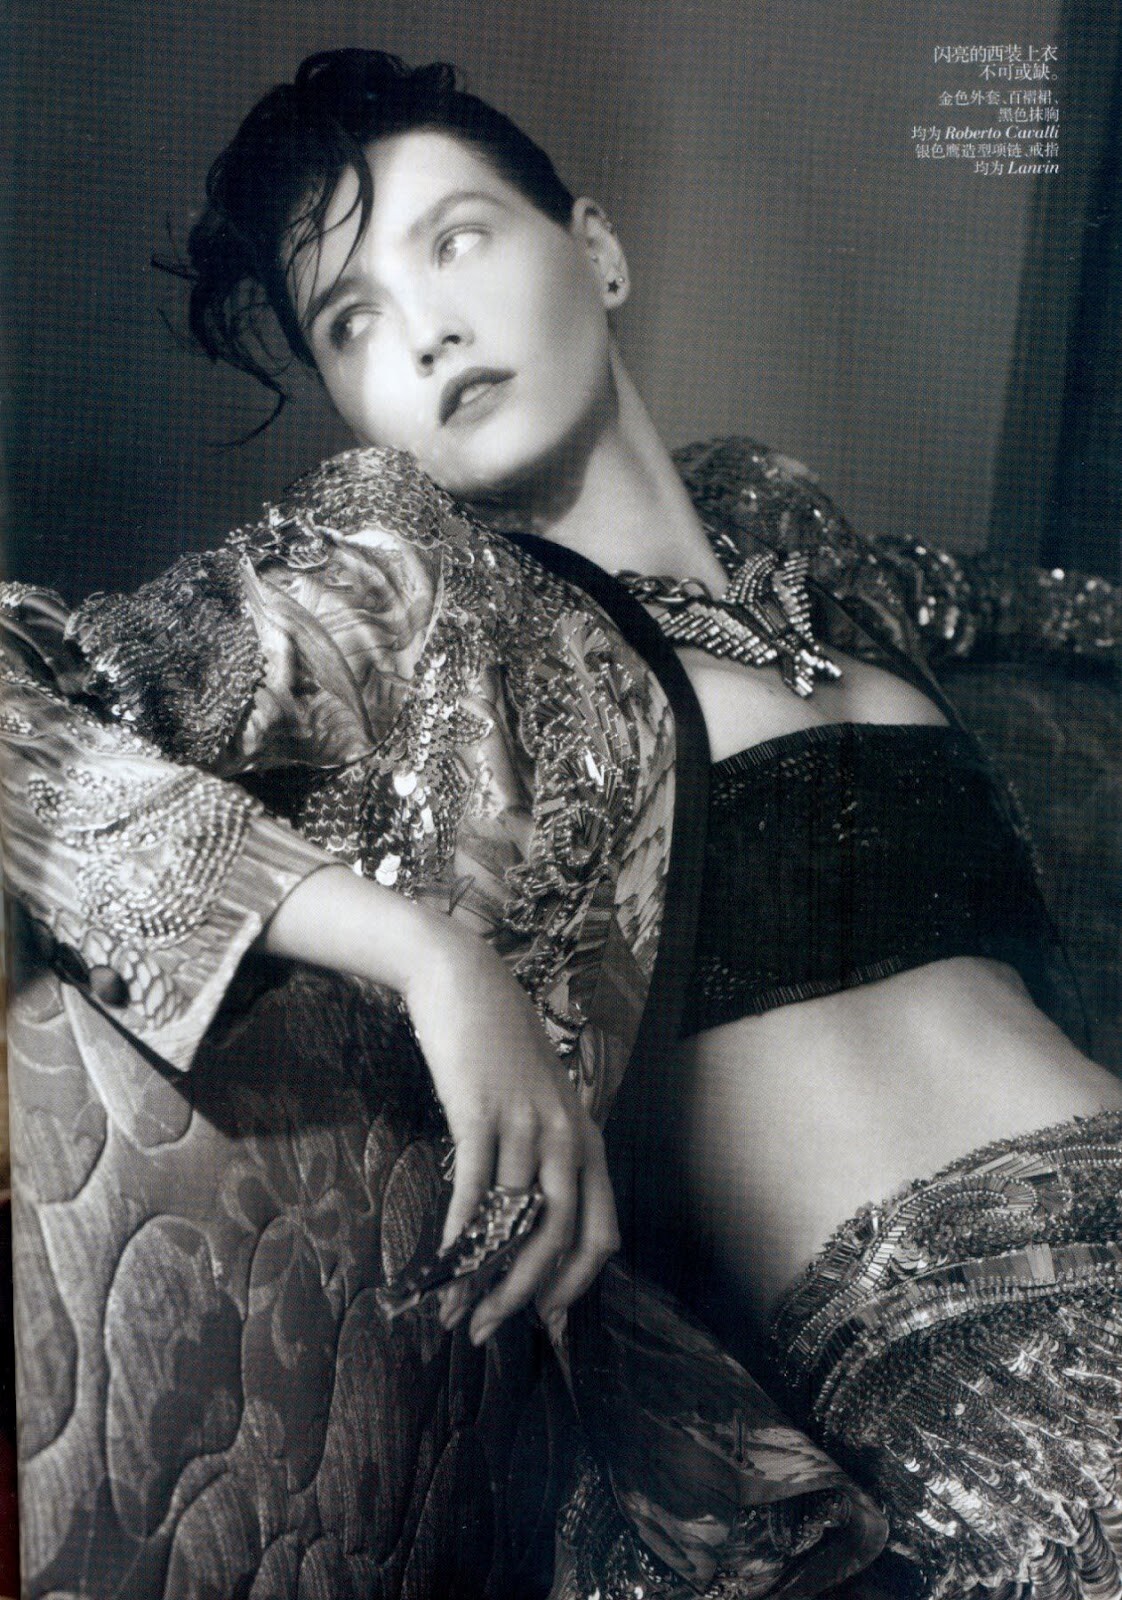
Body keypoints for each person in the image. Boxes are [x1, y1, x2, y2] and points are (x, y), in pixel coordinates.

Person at [3, 48, 1120, 1600]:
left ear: (593, 249)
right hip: (967, 1365)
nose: (426, 328)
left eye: (456, 239)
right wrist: (429, 957)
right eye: (352, 320)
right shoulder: (402, 588)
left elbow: (1050, 611)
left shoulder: (794, 542)